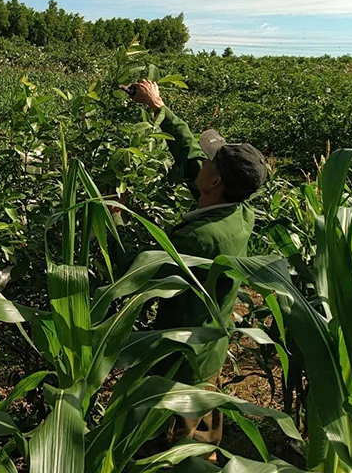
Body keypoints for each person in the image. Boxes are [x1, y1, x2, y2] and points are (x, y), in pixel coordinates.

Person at [127, 79, 268, 446]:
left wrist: (113, 220)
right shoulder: (238, 209)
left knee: (180, 444)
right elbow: (191, 156)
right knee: (204, 423)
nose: (202, 163)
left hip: (181, 354)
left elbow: (138, 277)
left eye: (210, 162)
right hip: (209, 347)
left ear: (215, 180)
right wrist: (158, 107)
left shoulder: (197, 239)